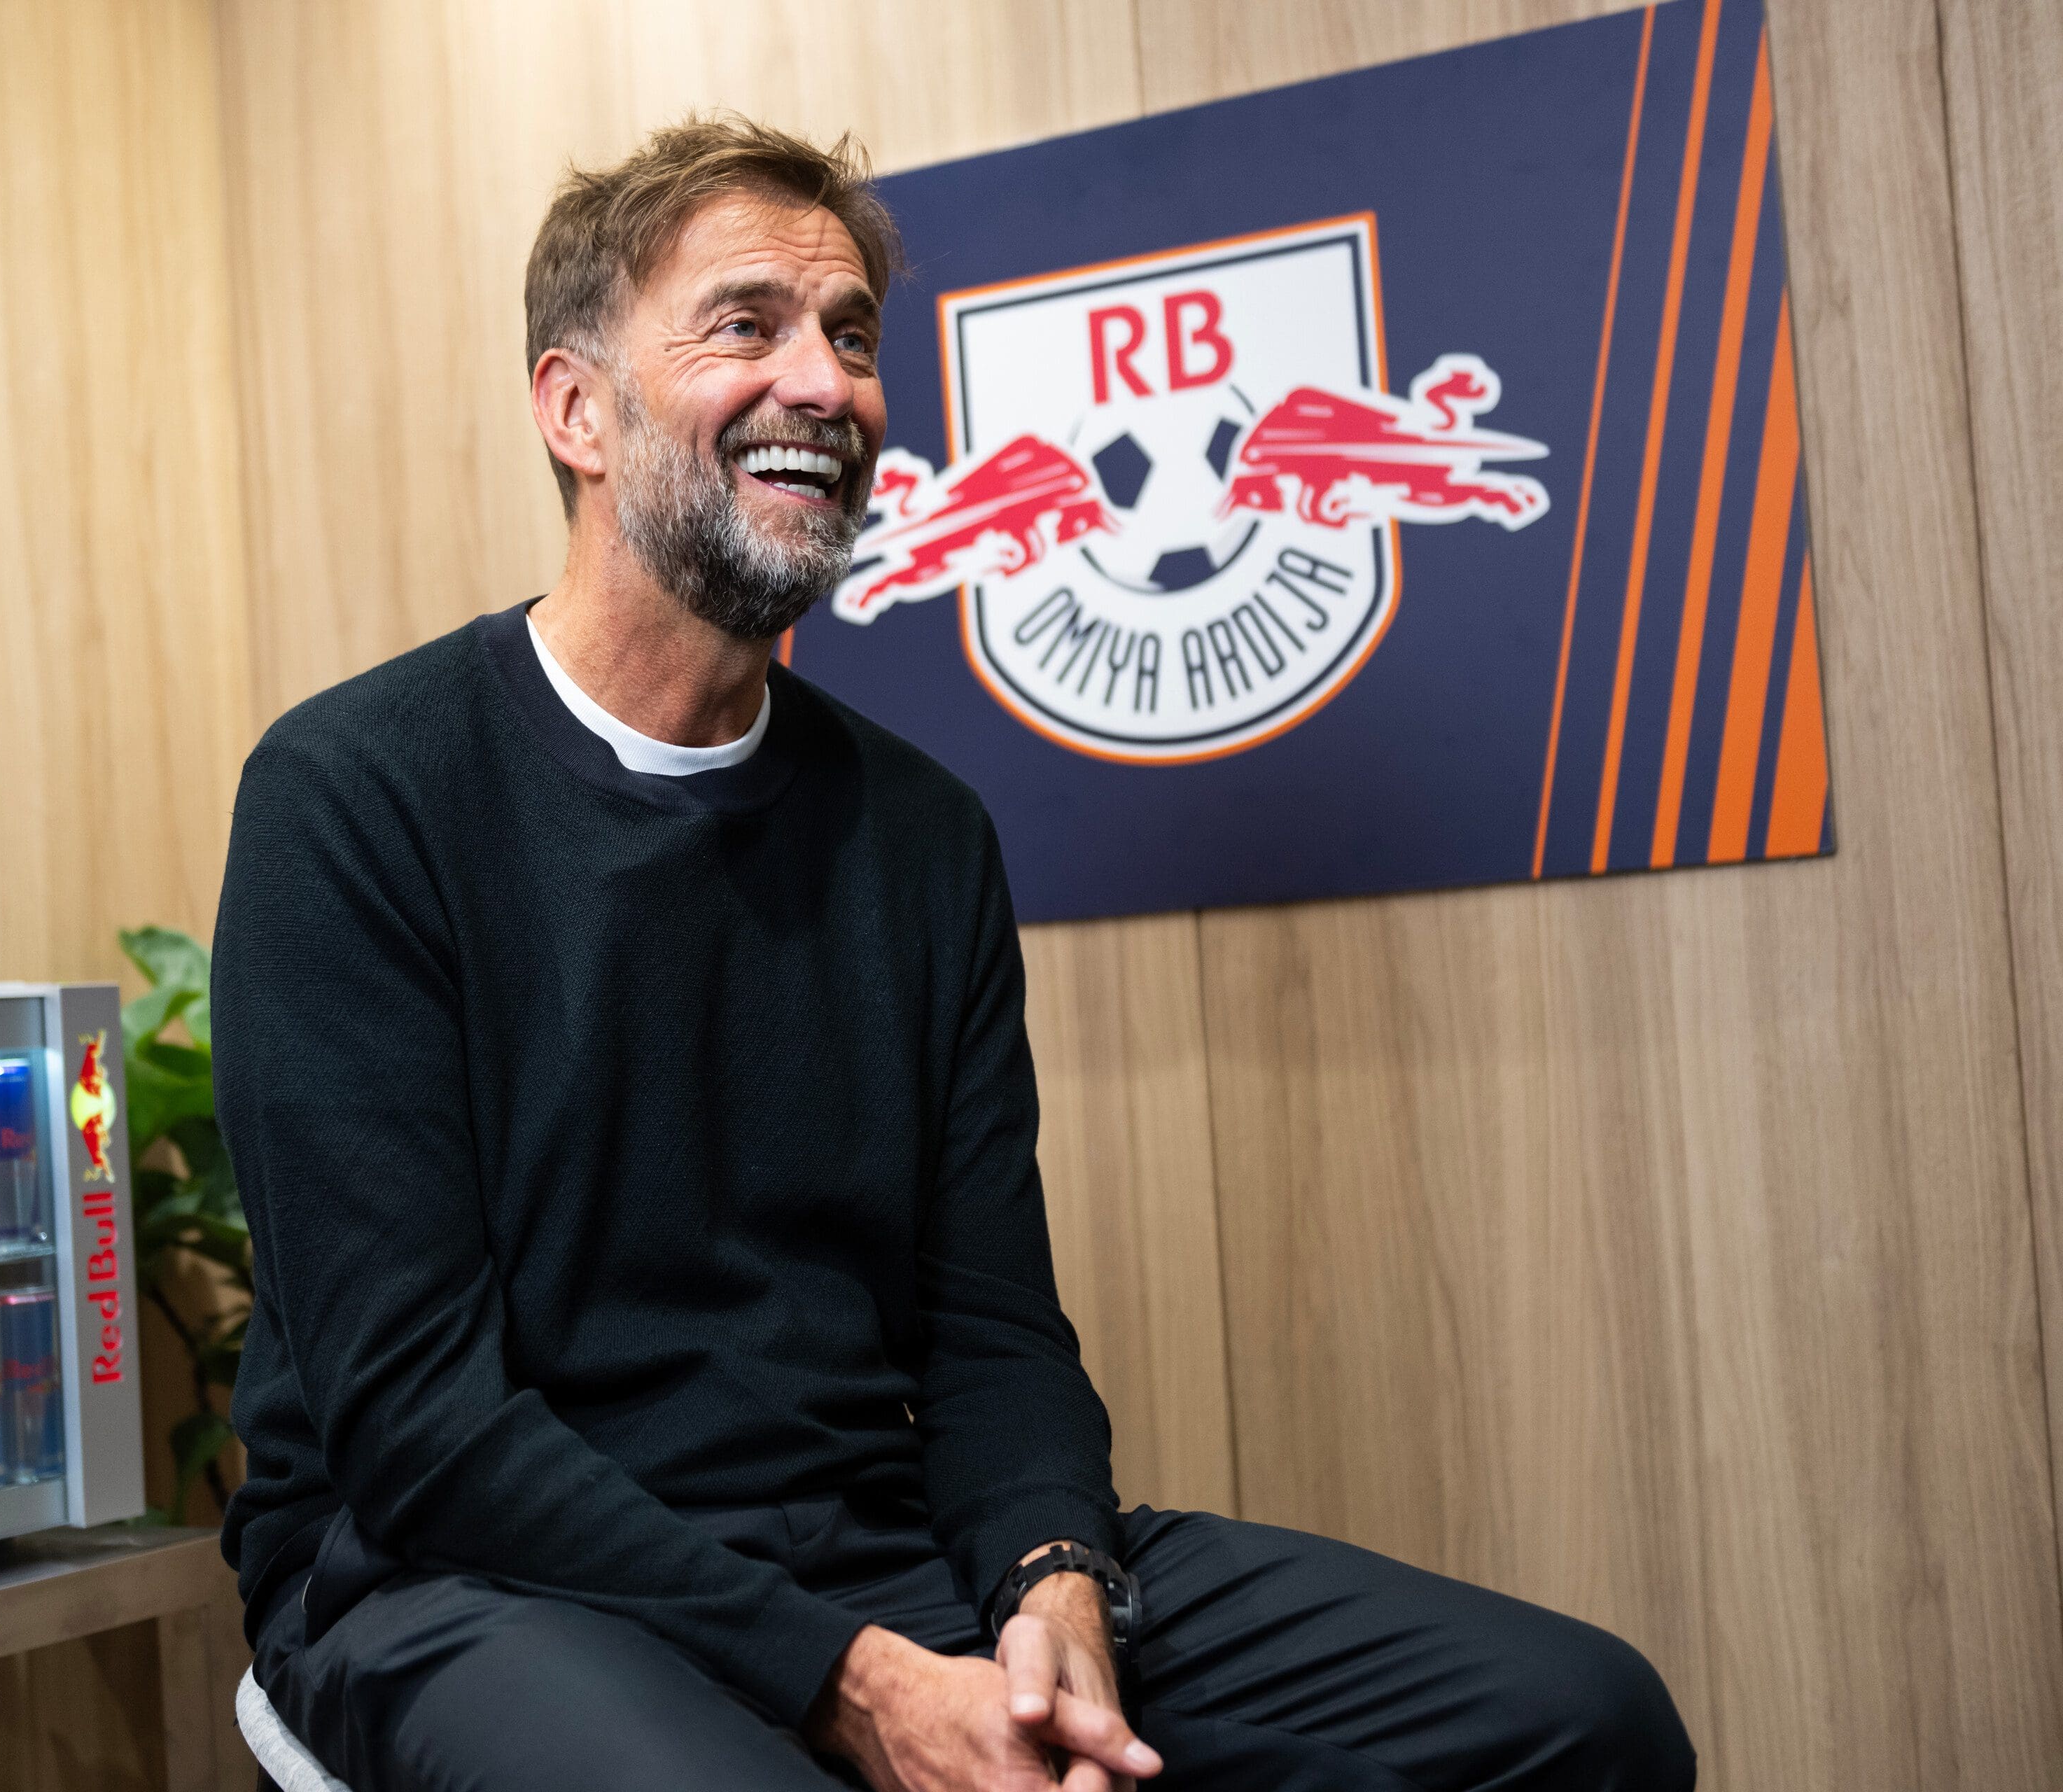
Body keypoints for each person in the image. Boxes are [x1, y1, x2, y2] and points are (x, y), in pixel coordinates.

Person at [211, 114, 1695, 1792]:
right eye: (748, 323)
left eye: (852, 335)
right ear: (576, 412)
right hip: (463, 1577)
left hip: (867, 1541)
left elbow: (990, 1326)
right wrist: (854, 1683)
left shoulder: (921, 835)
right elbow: (419, 1424)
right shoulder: (354, 795)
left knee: (1584, 1716)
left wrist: (1050, 1582)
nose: (827, 381)